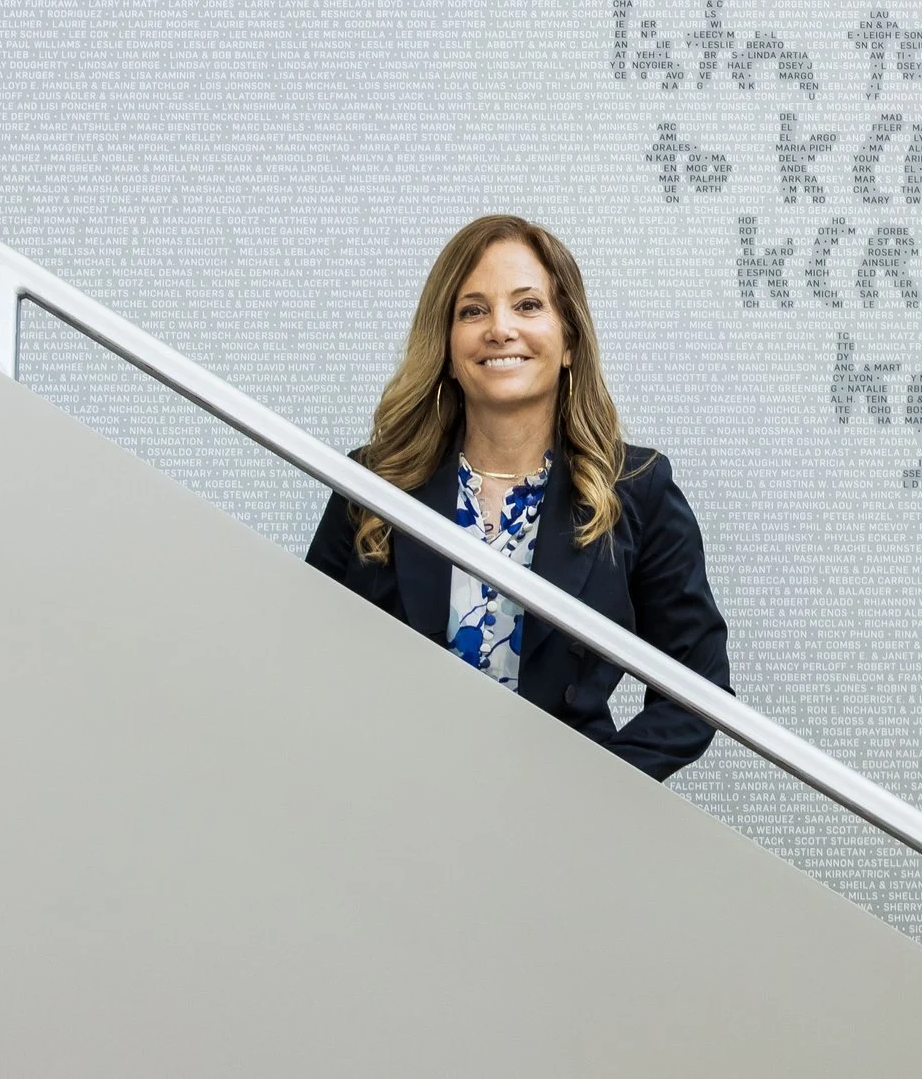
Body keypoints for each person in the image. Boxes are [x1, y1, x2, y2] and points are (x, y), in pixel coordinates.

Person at [304, 213, 729, 780]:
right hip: (388, 801)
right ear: (448, 346)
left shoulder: (636, 490)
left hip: (558, 832)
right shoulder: (374, 484)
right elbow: (307, 650)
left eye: (528, 306)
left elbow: (697, 687)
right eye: (473, 310)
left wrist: (594, 791)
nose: (500, 328)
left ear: (570, 339)